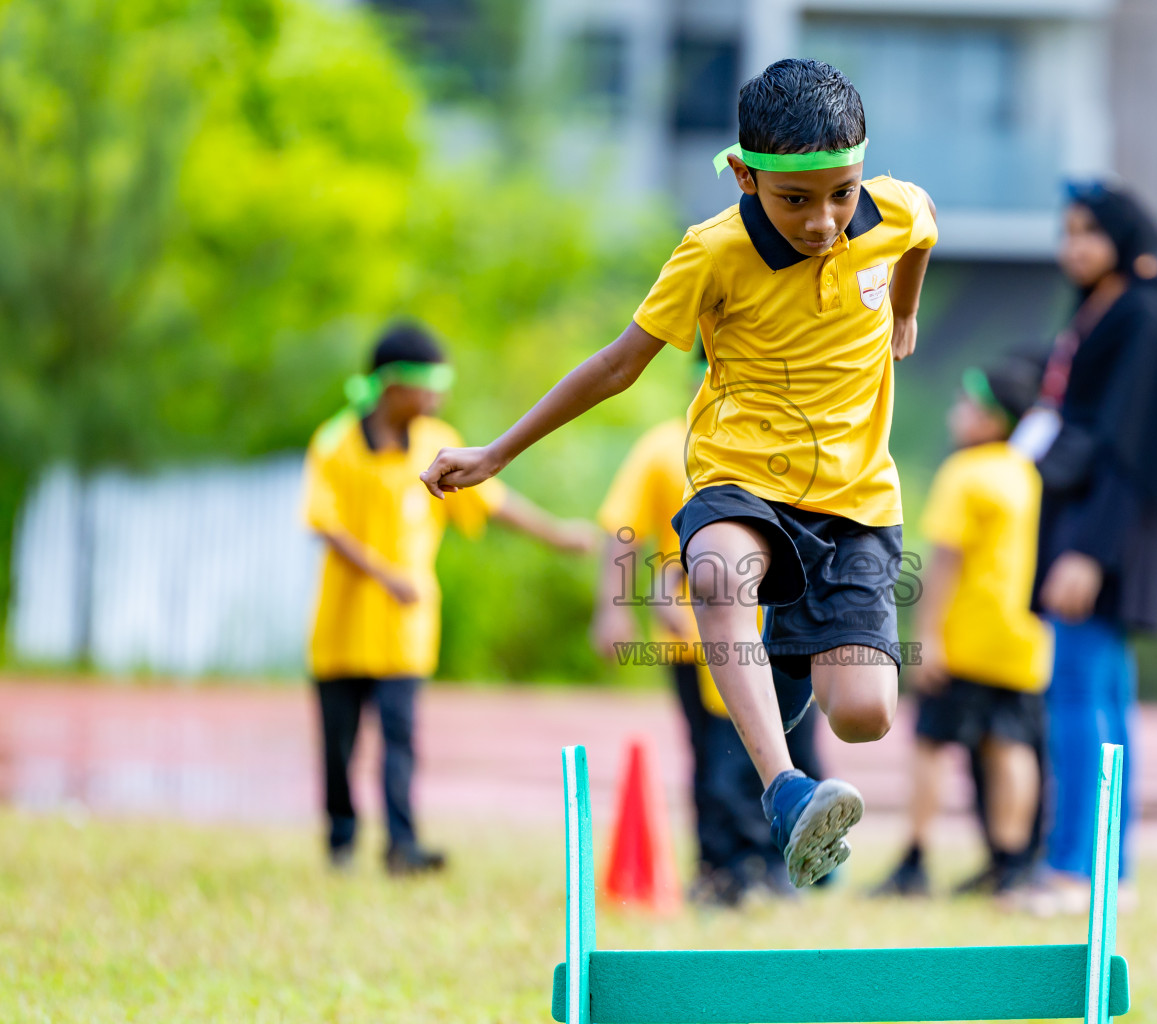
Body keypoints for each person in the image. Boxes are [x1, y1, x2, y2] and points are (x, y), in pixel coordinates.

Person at [421, 58, 937, 887]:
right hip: (741, 474)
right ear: (745, 175)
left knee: (867, 715)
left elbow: (924, 231)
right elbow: (617, 366)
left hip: (855, 501)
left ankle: (791, 662)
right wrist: (496, 452)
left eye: (841, 193)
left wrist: (904, 308)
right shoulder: (711, 253)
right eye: (794, 200)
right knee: (715, 570)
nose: (822, 222)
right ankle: (784, 791)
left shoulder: (894, 211)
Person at [303, 322, 596, 875]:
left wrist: (556, 533)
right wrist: (386, 575)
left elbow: (491, 501)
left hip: (404, 632)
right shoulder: (335, 443)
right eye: (428, 385)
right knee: (338, 746)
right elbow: (325, 524)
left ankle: (402, 846)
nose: (437, 397)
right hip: (342, 629)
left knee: (400, 742)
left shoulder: (435, 442)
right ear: (393, 386)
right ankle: (341, 841)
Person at [1012, 181, 1157, 908]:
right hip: (1089, 521)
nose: (1073, 247)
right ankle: (1106, 873)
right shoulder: (1100, 308)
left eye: (1088, 232)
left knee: (1080, 700)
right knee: (1103, 697)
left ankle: (1073, 870)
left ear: (1123, 235)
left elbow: (1133, 445)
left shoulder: (1144, 314)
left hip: (1105, 530)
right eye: (1067, 232)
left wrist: (1089, 551)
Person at [590, 393, 825, 904]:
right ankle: (721, 869)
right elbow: (623, 527)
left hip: (776, 630)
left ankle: (775, 865)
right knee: (712, 759)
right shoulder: (665, 447)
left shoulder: (782, 440)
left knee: (780, 751)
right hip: (691, 635)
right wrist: (618, 605)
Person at [874, 360, 1053, 905]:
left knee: (930, 742)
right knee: (1011, 743)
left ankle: (915, 858)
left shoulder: (964, 474)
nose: (958, 411)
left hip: (968, 637)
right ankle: (1010, 862)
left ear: (992, 420)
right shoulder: (1025, 472)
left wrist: (927, 636)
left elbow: (946, 561)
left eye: (968, 404)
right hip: (1022, 637)